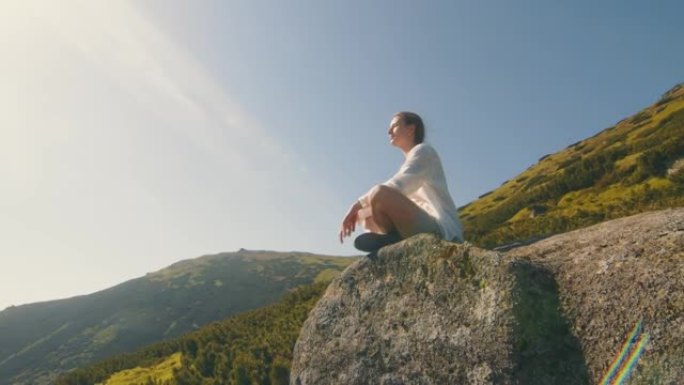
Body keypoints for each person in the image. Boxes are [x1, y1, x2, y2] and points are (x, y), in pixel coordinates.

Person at [338, 111, 464, 253]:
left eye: (394, 126)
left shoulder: (424, 151)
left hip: (441, 230)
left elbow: (397, 185)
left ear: (411, 129)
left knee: (379, 194)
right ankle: (393, 239)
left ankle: (392, 240)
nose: (389, 131)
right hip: (419, 225)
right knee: (365, 215)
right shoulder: (410, 160)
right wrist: (359, 212)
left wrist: (357, 204)